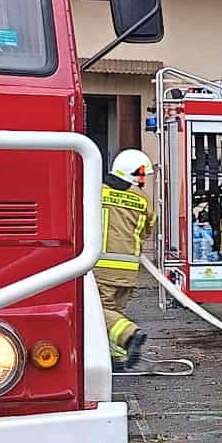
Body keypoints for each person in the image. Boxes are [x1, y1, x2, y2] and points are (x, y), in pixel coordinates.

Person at [96, 147, 155, 370]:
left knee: (97, 312)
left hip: (103, 267)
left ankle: (131, 335)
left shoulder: (97, 193)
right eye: (142, 176)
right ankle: (118, 358)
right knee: (116, 313)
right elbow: (147, 231)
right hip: (129, 270)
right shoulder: (143, 201)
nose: (143, 181)